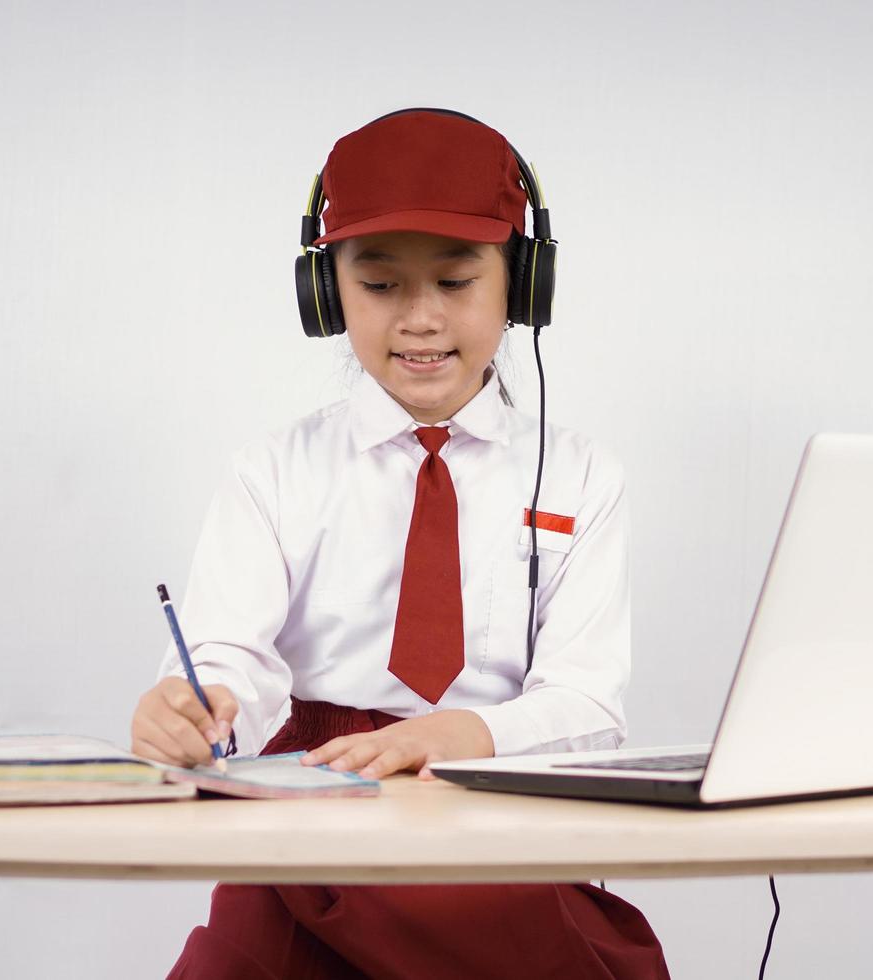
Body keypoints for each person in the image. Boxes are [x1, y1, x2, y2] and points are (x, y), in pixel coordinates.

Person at [131, 108, 669, 979]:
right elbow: (229, 652)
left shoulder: (580, 476)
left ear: (523, 286)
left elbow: (587, 707)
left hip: (496, 817)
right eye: (380, 287)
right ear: (326, 292)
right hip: (311, 825)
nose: (419, 319)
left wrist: (465, 736)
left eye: (456, 282)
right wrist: (200, 707)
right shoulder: (274, 470)